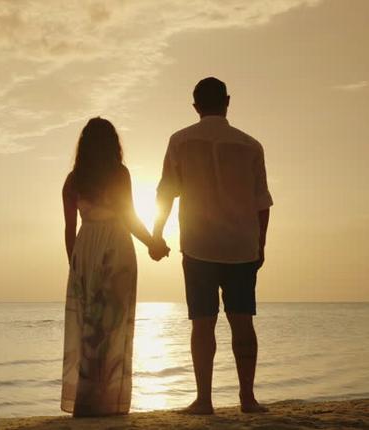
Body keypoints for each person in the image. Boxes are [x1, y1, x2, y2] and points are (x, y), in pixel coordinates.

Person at [152, 77, 273, 414]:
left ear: (195, 106)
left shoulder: (180, 141)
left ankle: (204, 399)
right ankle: (247, 398)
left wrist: (157, 234)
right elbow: (262, 202)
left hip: (199, 245)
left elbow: (166, 192)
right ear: (228, 101)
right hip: (240, 244)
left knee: (202, 324)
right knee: (242, 321)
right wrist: (260, 244)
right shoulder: (251, 145)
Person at [61, 117, 170, 417]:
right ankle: (108, 400)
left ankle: (87, 401)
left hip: (87, 248)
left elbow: (70, 229)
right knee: (112, 325)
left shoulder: (74, 180)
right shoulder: (119, 174)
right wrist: (152, 244)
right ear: (113, 145)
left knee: (89, 328)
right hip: (116, 247)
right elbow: (129, 217)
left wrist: (75, 264)